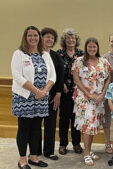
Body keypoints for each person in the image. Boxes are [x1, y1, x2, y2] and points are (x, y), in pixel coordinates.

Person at [11, 26, 56, 169]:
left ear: (39, 37)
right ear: (25, 37)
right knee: (24, 129)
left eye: (35, 35)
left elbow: (52, 76)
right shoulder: (19, 54)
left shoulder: (45, 54)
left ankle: (34, 157)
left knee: (37, 128)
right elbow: (17, 76)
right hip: (24, 97)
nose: (33, 38)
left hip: (41, 97)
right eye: (30, 35)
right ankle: (22, 160)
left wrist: (43, 92)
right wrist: (36, 90)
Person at [72, 37, 111, 166]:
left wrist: (103, 93)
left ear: (97, 48)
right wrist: (88, 94)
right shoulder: (79, 61)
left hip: (99, 99)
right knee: (87, 126)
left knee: (93, 125)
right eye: (90, 47)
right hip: (85, 99)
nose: (92, 49)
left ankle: (89, 149)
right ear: (86, 48)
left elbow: (109, 78)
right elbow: (76, 80)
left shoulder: (103, 62)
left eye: (94, 46)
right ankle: (86, 153)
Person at [38, 27, 64, 160]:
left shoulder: (56, 56)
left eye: (52, 38)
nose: (49, 39)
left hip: (52, 96)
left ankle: (49, 151)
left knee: (51, 124)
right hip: (36, 96)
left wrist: (58, 94)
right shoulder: (35, 54)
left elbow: (60, 77)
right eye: (47, 36)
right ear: (41, 38)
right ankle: (35, 151)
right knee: (36, 124)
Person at [57, 28, 83, 155]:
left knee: (76, 118)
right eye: (68, 38)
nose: (71, 40)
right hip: (64, 92)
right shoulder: (59, 54)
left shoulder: (82, 54)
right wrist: (61, 84)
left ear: (76, 40)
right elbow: (54, 72)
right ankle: (62, 144)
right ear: (64, 40)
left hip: (78, 92)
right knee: (64, 119)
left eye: (73, 38)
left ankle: (77, 143)